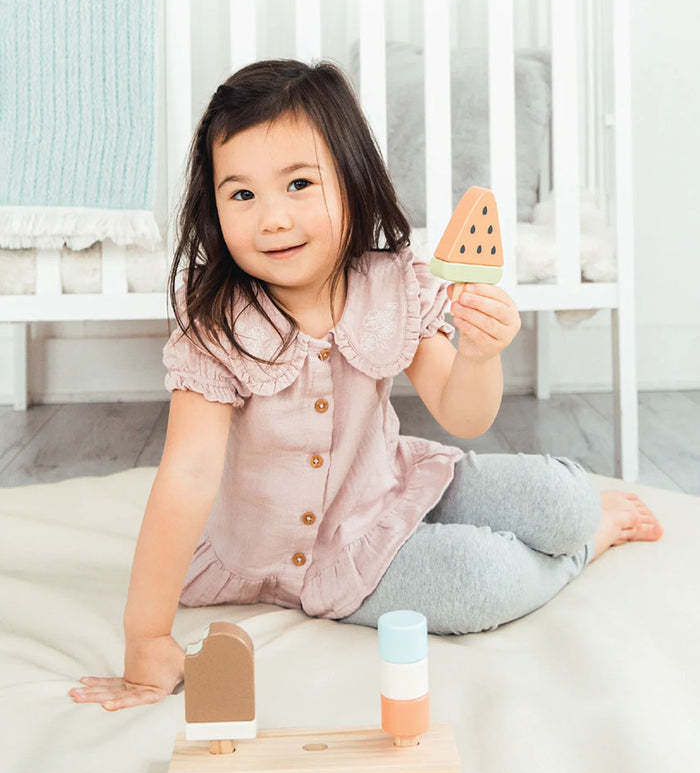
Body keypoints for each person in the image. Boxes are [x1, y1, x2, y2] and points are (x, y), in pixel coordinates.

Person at [69, 59, 663, 712]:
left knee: (565, 498)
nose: (271, 218)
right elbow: (184, 477)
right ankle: (583, 555)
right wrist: (145, 635)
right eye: (241, 194)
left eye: (298, 183)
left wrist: (481, 355)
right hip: (332, 562)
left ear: (352, 182)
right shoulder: (219, 324)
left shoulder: (391, 284)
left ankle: (584, 525)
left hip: (394, 484)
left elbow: (462, 415)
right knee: (480, 578)